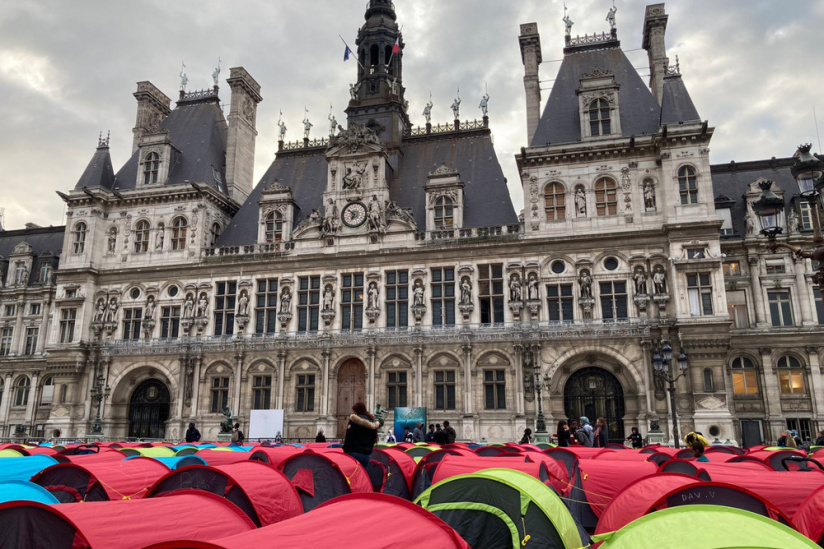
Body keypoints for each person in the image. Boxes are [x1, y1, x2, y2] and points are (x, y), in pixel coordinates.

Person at [342, 402, 380, 468]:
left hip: (355, 452)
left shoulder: (354, 420)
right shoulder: (371, 421)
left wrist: (345, 450)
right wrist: (369, 448)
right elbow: (373, 437)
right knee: (364, 476)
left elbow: (349, 436)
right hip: (366, 454)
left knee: (354, 475)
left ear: (356, 411)